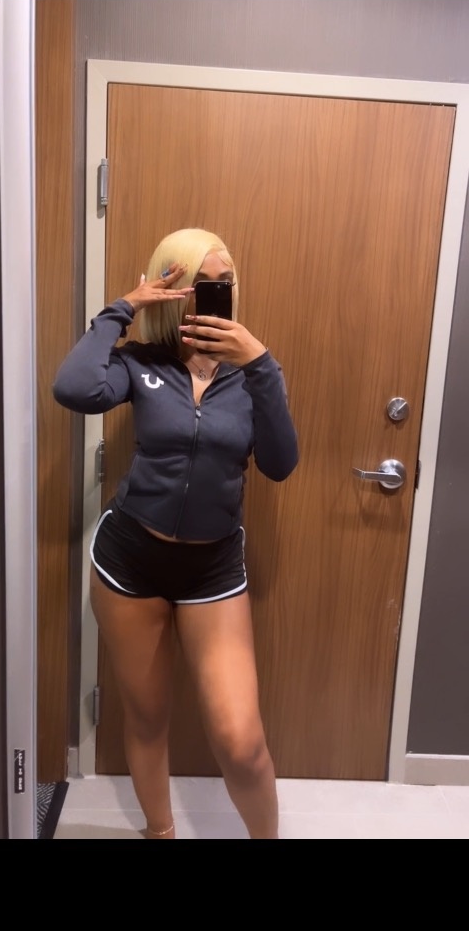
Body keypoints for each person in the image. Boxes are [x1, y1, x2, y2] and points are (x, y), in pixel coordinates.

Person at [53, 227, 299, 840]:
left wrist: (260, 362)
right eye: (195, 284)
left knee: (241, 742)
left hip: (212, 569)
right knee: (146, 717)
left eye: (222, 283)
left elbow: (279, 464)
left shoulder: (252, 375)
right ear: (171, 290)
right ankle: (159, 832)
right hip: (128, 562)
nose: (211, 294)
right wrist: (124, 307)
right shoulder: (141, 362)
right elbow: (74, 388)